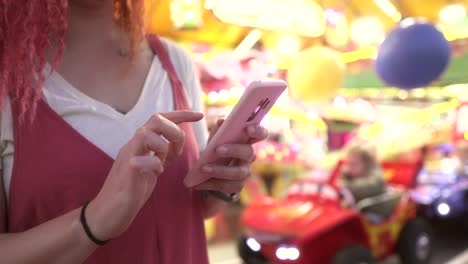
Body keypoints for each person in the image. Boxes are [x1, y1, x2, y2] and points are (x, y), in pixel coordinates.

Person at [0, 1, 267, 263]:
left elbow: (196, 208)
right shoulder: (8, 76)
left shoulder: (174, 62)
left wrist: (221, 184)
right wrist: (92, 222)